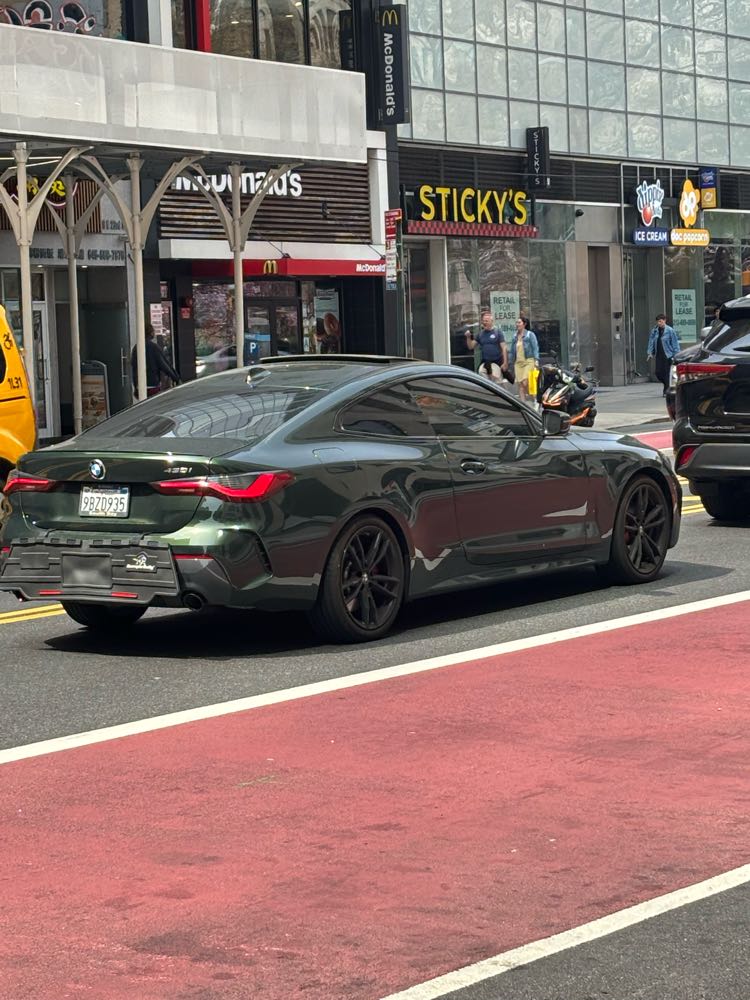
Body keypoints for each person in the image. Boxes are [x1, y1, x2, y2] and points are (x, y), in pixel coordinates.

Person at [131, 323, 180, 399]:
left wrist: (135, 386)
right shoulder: (154, 347)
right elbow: (164, 365)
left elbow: (134, 368)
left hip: (140, 386)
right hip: (152, 384)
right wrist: (175, 378)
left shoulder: (136, 347)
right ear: (151, 333)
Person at [465, 311, 508, 383]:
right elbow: (471, 346)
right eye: (483, 321)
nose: (484, 322)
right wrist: (468, 337)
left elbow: (504, 347)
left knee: (497, 381)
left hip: (496, 362)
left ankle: (499, 389)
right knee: (481, 373)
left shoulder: (498, 332)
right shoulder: (480, 334)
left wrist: (505, 362)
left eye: (486, 321)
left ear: (491, 321)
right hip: (485, 362)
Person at [508, 316, 540, 404]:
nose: (517, 324)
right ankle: (523, 403)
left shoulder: (530, 335)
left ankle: (535, 398)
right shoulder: (515, 336)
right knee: (520, 384)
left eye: (519, 322)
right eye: (516, 322)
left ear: (524, 324)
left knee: (526, 382)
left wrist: (536, 360)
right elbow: (512, 351)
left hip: (528, 361)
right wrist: (510, 362)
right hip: (518, 363)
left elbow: (535, 347)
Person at [647, 314, 680, 396]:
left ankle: (666, 390)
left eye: (660, 321)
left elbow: (675, 343)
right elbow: (651, 341)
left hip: (668, 355)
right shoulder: (655, 331)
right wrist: (650, 352)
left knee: (666, 373)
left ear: (664, 320)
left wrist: (677, 355)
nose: (659, 323)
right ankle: (667, 385)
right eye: (658, 322)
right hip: (659, 354)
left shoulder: (670, 330)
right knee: (658, 373)